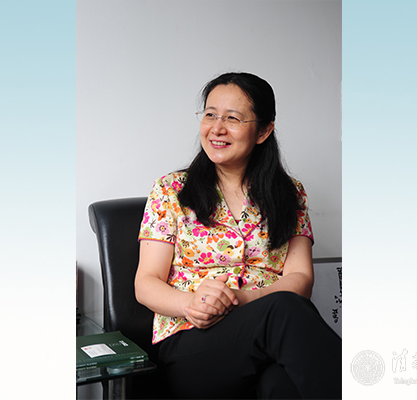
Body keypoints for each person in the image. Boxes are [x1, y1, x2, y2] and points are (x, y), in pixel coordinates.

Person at [134, 72, 341, 399]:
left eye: (232, 118)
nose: (217, 128)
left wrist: (244, 299)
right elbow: (146, 282)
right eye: (210, 115)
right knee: (284, 310)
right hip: (192, 343)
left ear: (264, 131)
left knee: (280, 384)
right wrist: (192, 304)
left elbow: (300, 278)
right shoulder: (171, 190)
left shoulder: (290, 193)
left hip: (268, 339)